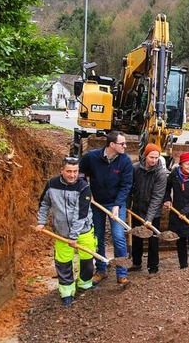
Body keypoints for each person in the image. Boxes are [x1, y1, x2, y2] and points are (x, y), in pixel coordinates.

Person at [36, 157, 95, 306]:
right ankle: (67, 291)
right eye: (69, 171)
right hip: (61, 233)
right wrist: (41, 222)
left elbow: (80, 213)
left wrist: (74, 236)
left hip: (83, 231)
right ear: (62, 170)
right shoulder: (51, 185)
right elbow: (44, 204)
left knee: (87, 260)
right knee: (63, 262)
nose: (72, 175)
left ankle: (85, 284)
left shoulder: (83, 187)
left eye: (75, 171)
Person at [79, 130, 133, 286]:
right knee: (98, 236)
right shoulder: (92, 157)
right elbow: (81, 175)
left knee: (118, 237)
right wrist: (88, 192)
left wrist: (117, 204)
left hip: (116, 203)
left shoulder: (125, 161)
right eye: (122, 143)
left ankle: (122, 274)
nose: (125, 146)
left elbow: (126, 185)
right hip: (97, 203)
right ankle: (101, 270)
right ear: (111, 144)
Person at [128, 143, 167, 274]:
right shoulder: (136, 168)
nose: (154, 160)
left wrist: (149, 219)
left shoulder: (160, 173)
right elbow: (129, 189)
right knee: (137, 236)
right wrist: (128, 206)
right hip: (138, 208)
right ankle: (136, 262)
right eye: (151, 157)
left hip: (153, 212)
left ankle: (153, 267)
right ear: (145, 156)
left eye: (156, 158)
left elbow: (157, 197)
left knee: (153, 240)